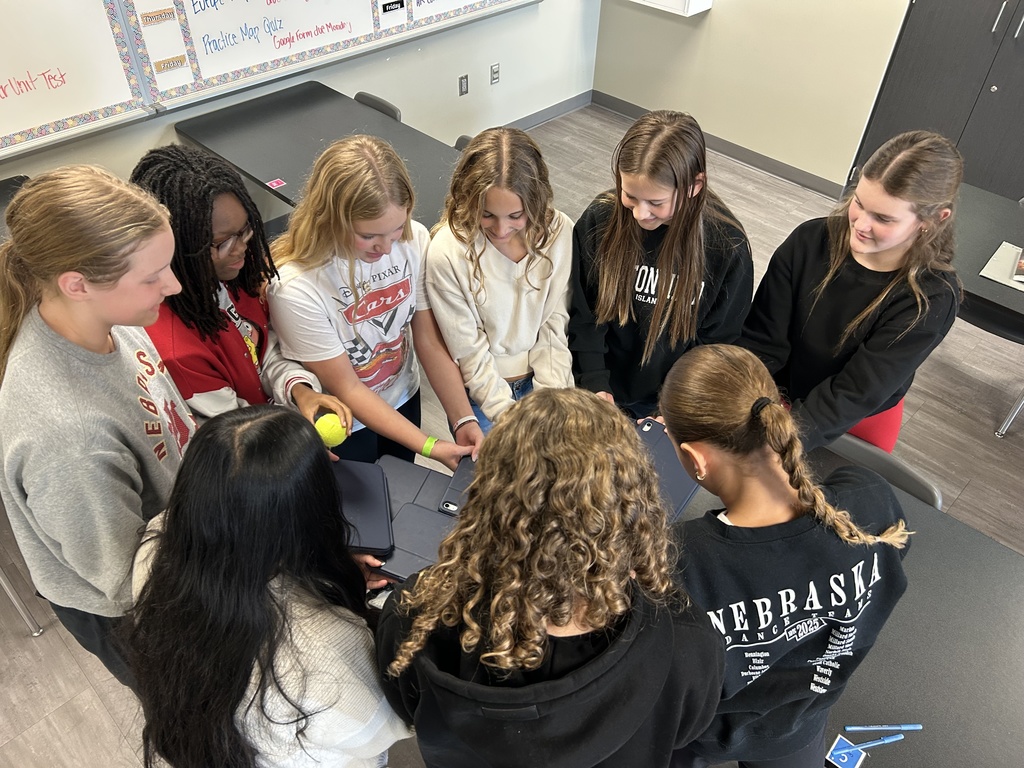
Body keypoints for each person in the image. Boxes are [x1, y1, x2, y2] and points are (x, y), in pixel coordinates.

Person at [377, 387, 726, 768]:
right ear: (634, 507)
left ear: (484, 500)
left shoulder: (416, 614)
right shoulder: (688, 642)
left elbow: (406, 703)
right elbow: (687, 729)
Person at [658, 344, 911, 768]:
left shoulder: (678, 563)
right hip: (800, 724)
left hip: (700, 737)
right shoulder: (871, 499)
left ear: (695, 458)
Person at [125, 406, 410, 768]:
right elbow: (384, 728)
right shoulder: (326, 645)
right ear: (312, 509)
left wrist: (324, 572)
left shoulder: (156, 540)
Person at [0, 165, 191, 686]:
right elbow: (130, 580)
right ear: (77, 284)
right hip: (143, 605)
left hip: (180, 541)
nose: (171, 285)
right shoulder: (69, 442)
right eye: (151, 277)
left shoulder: (114, 322)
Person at [739, 130, 963, 452]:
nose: (860, 224)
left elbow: (855, 391)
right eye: (858, 203)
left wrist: (781, 446)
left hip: (854, 416)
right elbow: (762, 340)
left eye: (883, 218)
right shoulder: (809, 240)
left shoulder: (931, 298)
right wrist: (741, 406)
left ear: (933, 220)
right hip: (774, 390)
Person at [268, 135, 481, 469]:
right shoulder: (295, 287)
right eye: (368, 236)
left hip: (402, 396)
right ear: (331, 219)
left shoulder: (414, 240)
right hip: (345, 422)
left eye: (396, 228)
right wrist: (430, 446)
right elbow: (347, 387)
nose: (385, 247)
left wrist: (461, 419)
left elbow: (427, 338)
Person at [130, 144, 352, 428]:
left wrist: (299, 391)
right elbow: (235, 429)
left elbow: (259, 348)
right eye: (223, 242)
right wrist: (295, 435)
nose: (242, 249)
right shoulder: (178, 351)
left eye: (246, 229)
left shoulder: (237, 273)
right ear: (179, 246)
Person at [569, 110, 753, 418]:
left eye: (656, 203)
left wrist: (675, 405)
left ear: (695, 186)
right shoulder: (599, 219)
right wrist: (594, 384)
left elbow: (715, 347)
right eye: (629, 196)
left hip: (671, 402)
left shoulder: (727, 247)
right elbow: (583, 314)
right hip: (597, 386)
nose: (640, 214)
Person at [426, 127, 573, 431]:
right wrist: (506, 416)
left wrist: (550, 402)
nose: (502, 230)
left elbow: (553, 323)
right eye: (487, 214)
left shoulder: (560, 233)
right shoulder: (447, 251)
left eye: (516, 216)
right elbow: (468, 350)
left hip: (546, 381)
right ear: (467, 200)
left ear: (536, 202)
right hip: (483, 393)